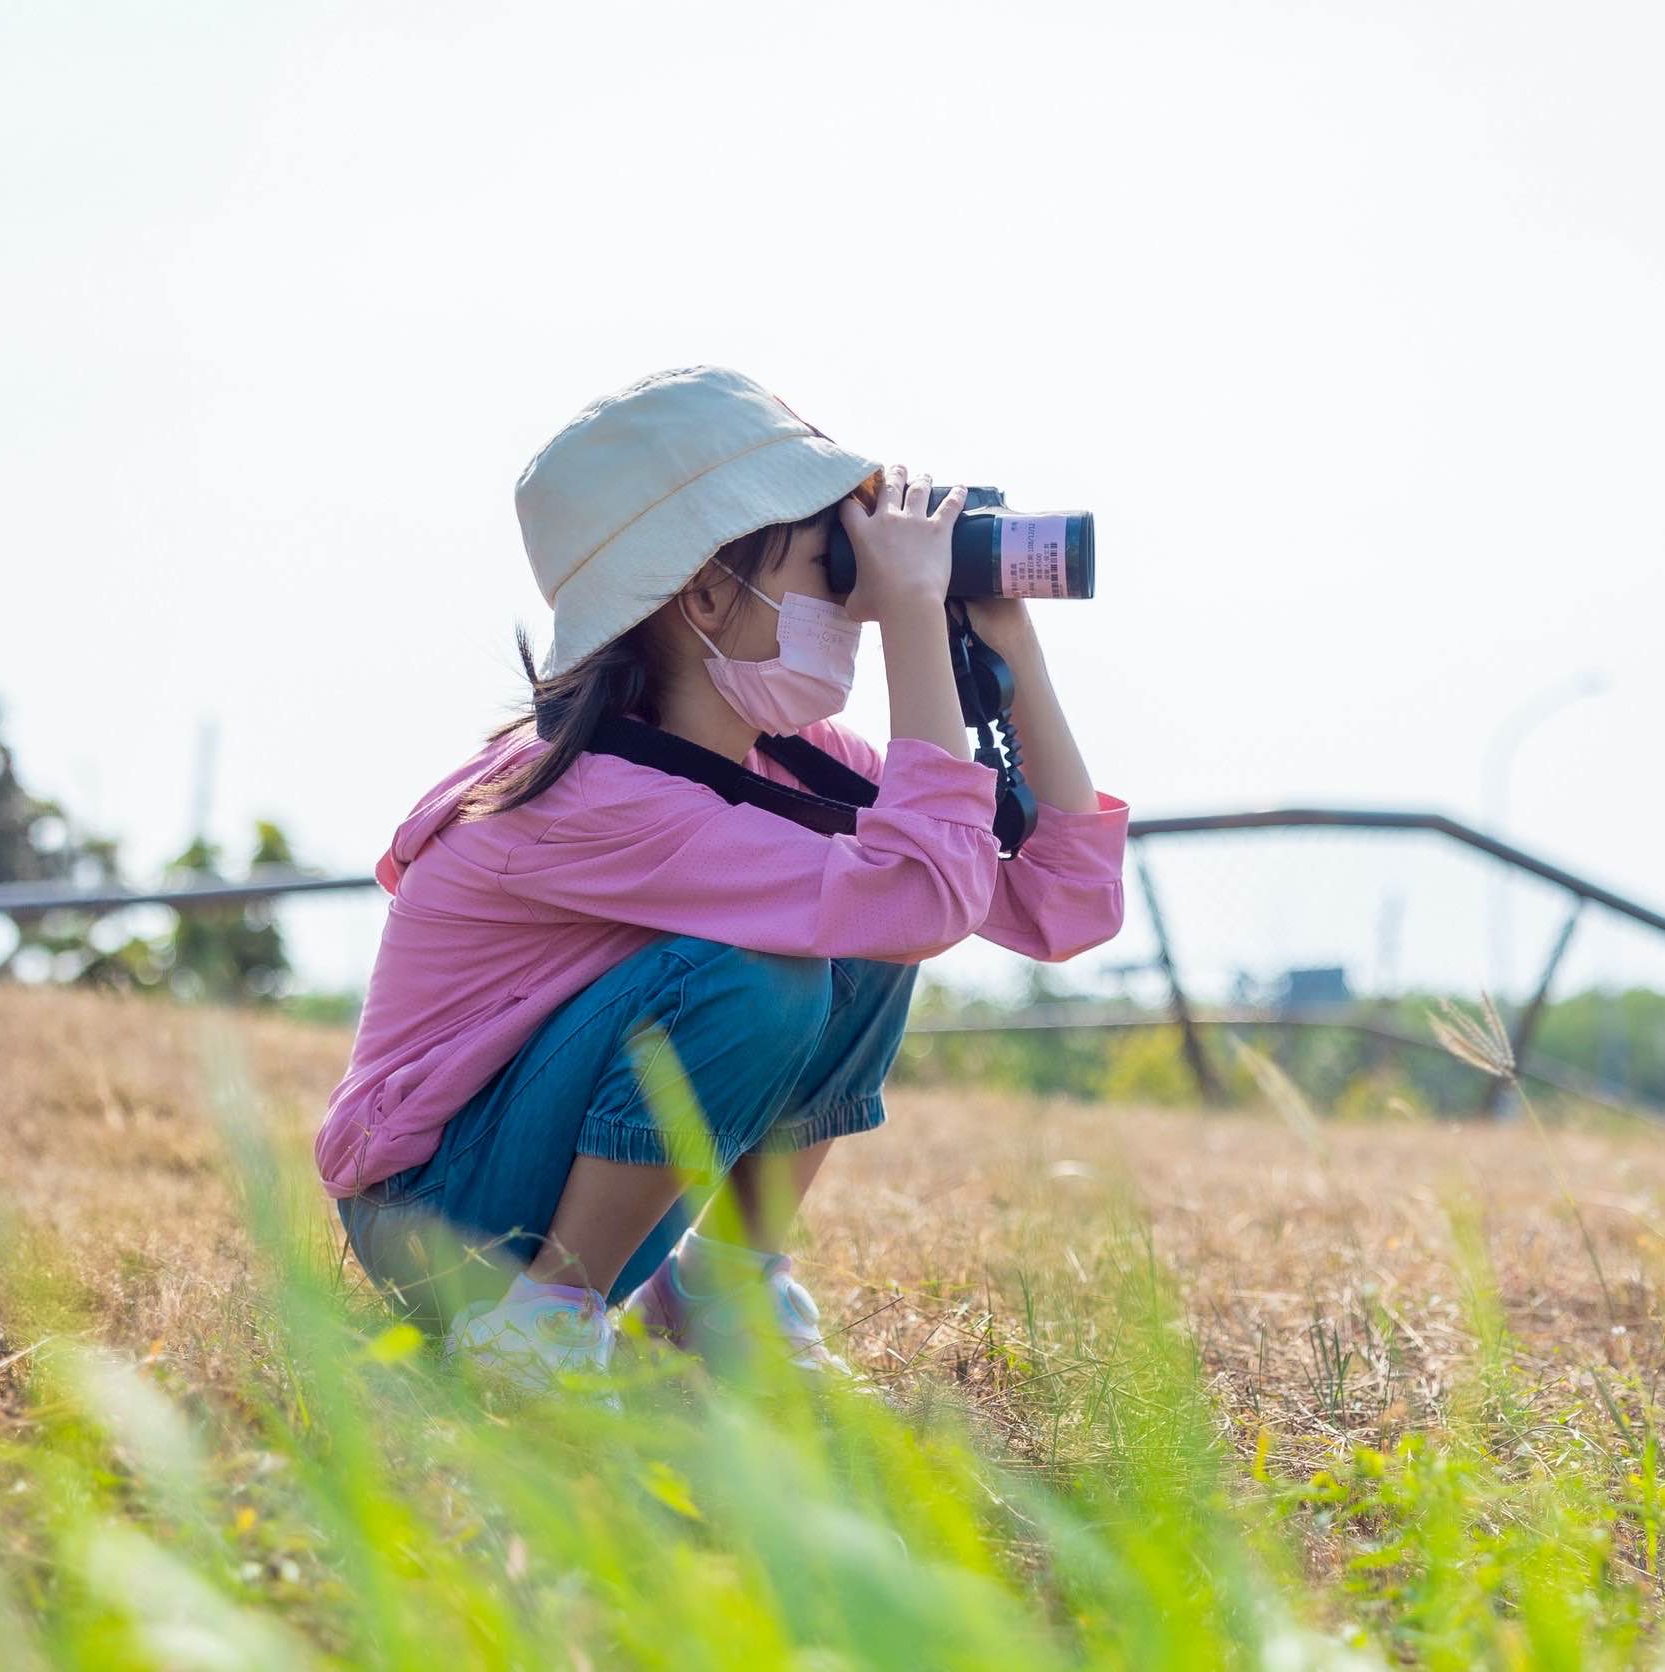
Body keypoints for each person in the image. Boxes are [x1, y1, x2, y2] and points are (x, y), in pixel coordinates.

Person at [315, 365, 1130, 1391]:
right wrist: (917, 617)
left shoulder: (789, 754)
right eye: (828, 561)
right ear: (704, 591)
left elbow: (1062, 904)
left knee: (863, 929)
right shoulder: (593, 794)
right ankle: (540, 1329)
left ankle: (720, 1297)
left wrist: (1006, 644)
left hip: (549, 1171)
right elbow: (925, 891)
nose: (855, 594)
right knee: (787, 961)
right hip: (436, 1208)